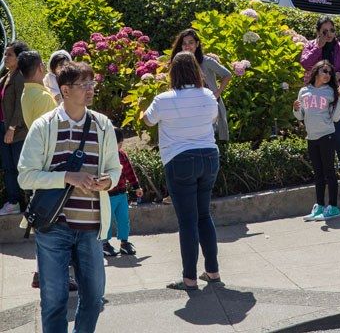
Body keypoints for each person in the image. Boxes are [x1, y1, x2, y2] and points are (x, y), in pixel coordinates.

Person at [17, 60, 121, 332]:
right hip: (53, 226)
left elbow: (114, 168)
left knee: (95, 296)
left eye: (92, 83)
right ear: (64, 90)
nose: (90, 89)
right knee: (54, 300)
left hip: (91, 226)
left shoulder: (102, 125)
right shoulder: (45, 126)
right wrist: (67, 177)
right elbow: (25, 175)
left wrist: (107, 181)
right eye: (83, 85)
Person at [143, 52, 220, 290]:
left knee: (187, 221)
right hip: (209, 157)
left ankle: (189, 278)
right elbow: (213, 117)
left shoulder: (163, 99)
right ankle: (213, 271)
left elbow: (147, 121)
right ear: (196, 71)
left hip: (179, 159)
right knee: (204, 215)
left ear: (172, 72)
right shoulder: (208, 95)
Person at [17, 50, 58, 290]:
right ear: (41, 67)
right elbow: (52, 134)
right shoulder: (42, 97)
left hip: (38, 165)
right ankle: (46, 273)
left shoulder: (28, 93)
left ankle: (41, 272)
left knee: (45, 222)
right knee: (51, 224)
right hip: (47, 167)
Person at [300, 17, 340, 182]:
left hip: (338, 97)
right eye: (325, 31)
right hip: (317, 98)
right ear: (318, 32)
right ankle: (325, 171)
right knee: (320, 136)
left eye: (332, 30)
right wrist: (319, 47)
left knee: (339, 134)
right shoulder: (311, 46)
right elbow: (305, 63)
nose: (329, 34)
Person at [293, 59, 340, 221]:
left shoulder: (331, 92)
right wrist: (295, 109)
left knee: (329, 172)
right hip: (312, 137)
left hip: (327, 135)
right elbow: (300, 116)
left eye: (330, 73)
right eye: (324, 71)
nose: (328, 75)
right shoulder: (303, 91)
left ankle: (333, 207)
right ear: (316, 72)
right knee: (318, 174)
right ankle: (320, 206)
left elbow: (336, 118)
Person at [169, 29, 232, 140]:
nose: (187, 46)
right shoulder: (179, 63)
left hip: (209, 106)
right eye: (184, 43)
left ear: (197, 44)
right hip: (188, 108)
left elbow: (227, 74)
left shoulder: (206, 61)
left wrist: (217, 93)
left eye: (191, 42)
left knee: (212, 138)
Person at [103, 128, 143, 258]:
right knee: (107, 221)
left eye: (120, 143)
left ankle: (124, 242)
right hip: (107, 196)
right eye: (118, 143)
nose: (120, 146)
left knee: (123, 219)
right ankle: (104, 243)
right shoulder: (102, 157)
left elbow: (129, 172)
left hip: (121, 194)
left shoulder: (122, 155)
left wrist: (136, 186)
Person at [0, 39, 29, 215]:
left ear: (19, 58)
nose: (5, 57)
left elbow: (21, 105)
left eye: (9, 54)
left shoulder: (20, 77)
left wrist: (12, 128)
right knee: (8, 166)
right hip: (3, 128)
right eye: (5, 53)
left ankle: (30, 202)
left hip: (16, 132)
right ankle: (13, 202)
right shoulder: (6, 77)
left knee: (21, 167)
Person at [18, 50, 57, 128]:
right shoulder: (43, 97)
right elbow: (45, 132)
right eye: (43, 64)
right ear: (41, 67)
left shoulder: (26, 91)